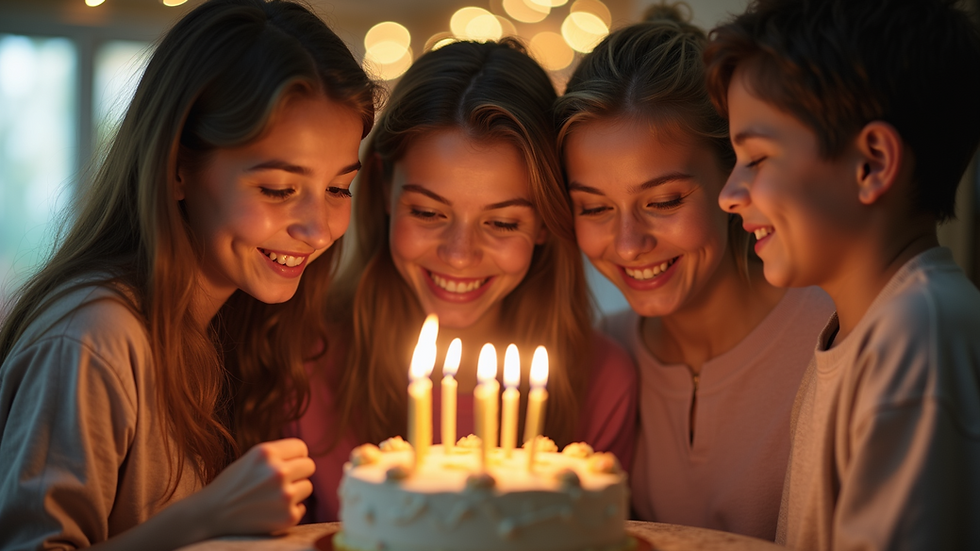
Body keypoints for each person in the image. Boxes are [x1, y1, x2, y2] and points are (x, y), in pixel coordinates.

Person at [0, 0, 377, 549]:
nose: (318, 230)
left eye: (339, 188)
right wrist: (206, 516)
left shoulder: (235, 324)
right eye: (278, 189)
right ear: (178, 168)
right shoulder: (94, 338)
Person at [287, 38, 637, 523]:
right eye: (429, 212)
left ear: (543, 222)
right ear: (385, 189)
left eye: (502, 222)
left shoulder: (603, 381)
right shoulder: (300, 357)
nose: (459, 254)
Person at [704, 0, 980, 548]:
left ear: (872, 163)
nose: (729, 195)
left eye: (755, 159)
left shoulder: (915, 335)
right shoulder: (865, 330)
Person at [554, 4, 834, 540]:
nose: (629, 243)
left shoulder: (836, 342)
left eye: (663, 201)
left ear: (733, 178)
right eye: (594, 207)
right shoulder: (601, 361)